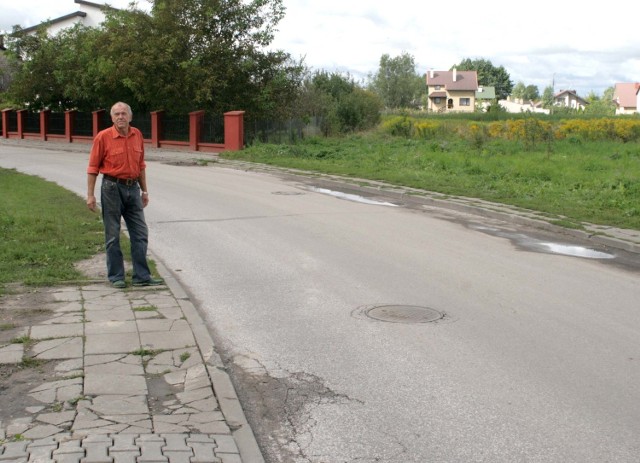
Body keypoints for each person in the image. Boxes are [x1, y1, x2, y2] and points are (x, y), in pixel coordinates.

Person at [86, 101, 163, 288]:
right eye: (117, 114)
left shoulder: (137, 135)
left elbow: (141, 165)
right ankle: (116, 276)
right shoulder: (103, 137)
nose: (120, 117)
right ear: (112, 118)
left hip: (133, 188)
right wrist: (90, 195)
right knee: (112, 234)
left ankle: (141, 276)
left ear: (130, 116)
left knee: (140, 233)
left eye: (123, 113)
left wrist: (144, 191)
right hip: (112, 188)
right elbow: (93, 168)